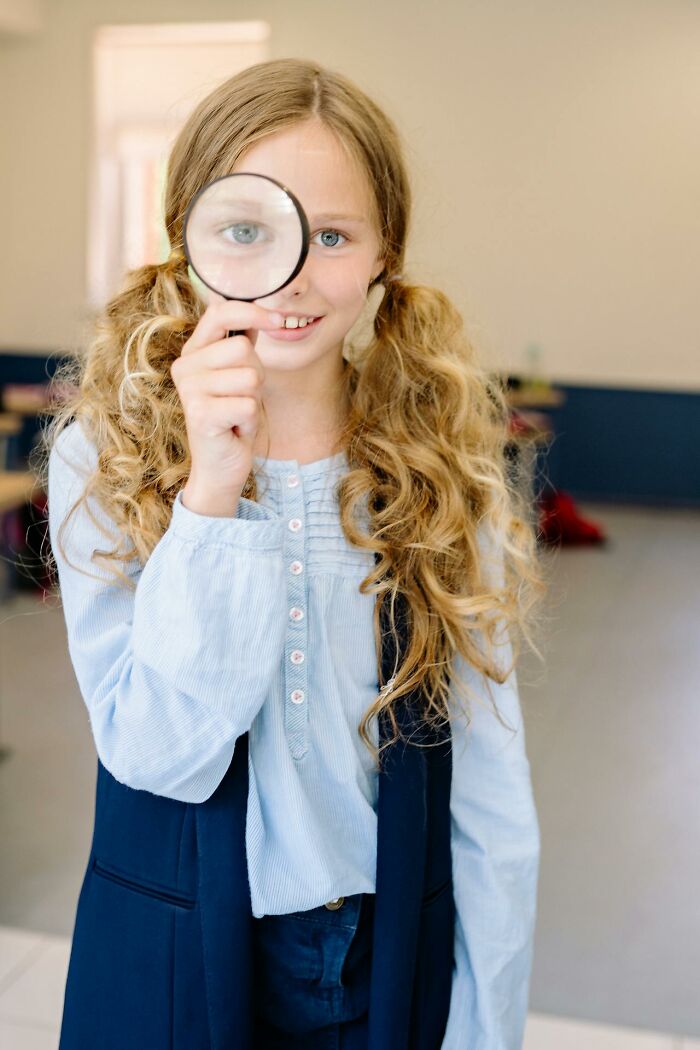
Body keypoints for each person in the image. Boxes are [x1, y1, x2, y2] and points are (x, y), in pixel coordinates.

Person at [40, 57, 545, 1050]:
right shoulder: (104, 459)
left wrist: (487, 1022)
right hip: (172, 955)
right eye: (248, 230)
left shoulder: (438, 469)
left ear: (382, 254)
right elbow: (158, 757)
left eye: (332, 235)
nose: (294, 275)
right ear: (189, 240)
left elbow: (490, 784)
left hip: (384, 955)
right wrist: (213, 500)